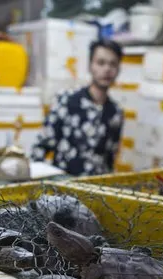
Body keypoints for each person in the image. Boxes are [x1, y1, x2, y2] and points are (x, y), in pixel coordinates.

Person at [31, 39, 124, 176]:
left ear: (118, 69)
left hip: (97, 192)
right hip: (63, 188)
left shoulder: (116, 113)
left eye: (113, 64)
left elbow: (110, 160)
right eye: (101, 63)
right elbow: (40, 147)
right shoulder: (67, 100)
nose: (107, 69)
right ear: (90, 65)